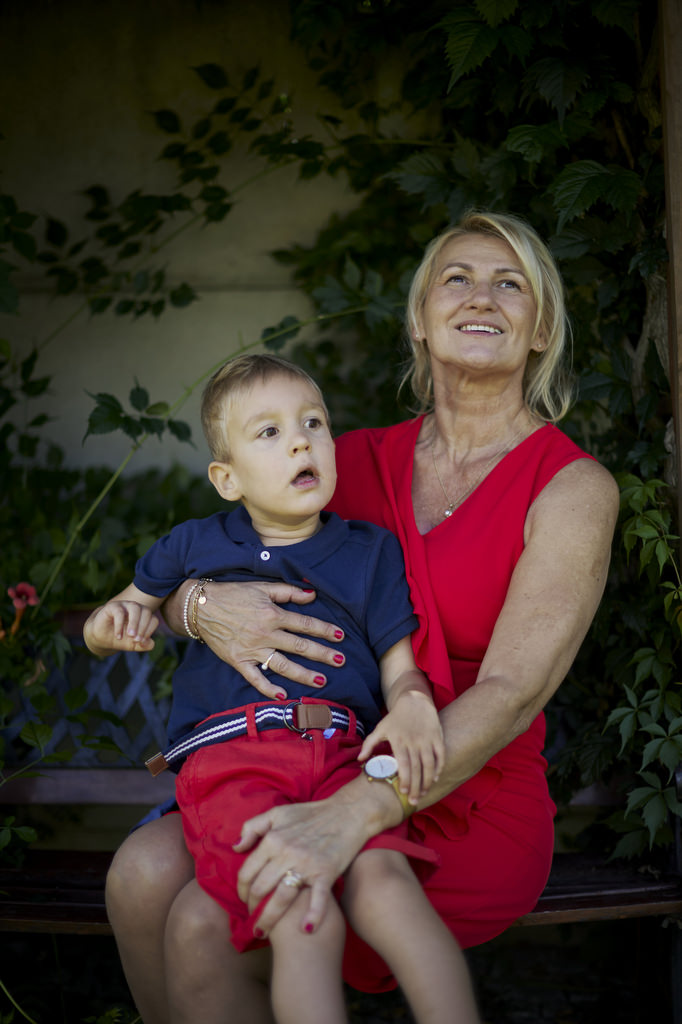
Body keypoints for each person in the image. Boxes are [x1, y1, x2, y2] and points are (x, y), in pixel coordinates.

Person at [103, 210, 620, 1024]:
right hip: (304, 759)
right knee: (138, 875)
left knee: (204, 925)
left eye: (511, 283)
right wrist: (196, 606)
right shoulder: (340, 461)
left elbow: (514, 691)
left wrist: (356, 811)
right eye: (457, 278)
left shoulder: (572, 488)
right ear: (419, 318)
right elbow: (201, 568)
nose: (481, 296)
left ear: (543, 328)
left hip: (461, 789)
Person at [84, 353, 481, 1024]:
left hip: (343, 757)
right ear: (227, 478)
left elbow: (399, 665)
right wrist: (113, 623)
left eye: (313, 423)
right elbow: (117, 615)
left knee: (388, 887)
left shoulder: (370, 552)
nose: (301, 441)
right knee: (299, 910)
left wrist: (413, 703)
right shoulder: (193, 545)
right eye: (269, 432)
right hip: (235, 765)